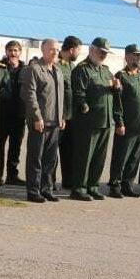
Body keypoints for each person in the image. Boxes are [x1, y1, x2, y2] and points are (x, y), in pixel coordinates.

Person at [67, 37, 118, 201]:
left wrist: (117, 87)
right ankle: (79, 188)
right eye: (101, 52)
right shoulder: (82, 70)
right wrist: (83, 105)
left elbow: (112, 89)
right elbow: (78, 93)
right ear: (92, 50)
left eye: (106, 53)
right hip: (88, 122)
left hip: (105, 121)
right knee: (84, 157)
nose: (103, 55)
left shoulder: (106, 70)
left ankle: (93, 186)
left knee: (99, 158)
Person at [20, 39, 65, 203]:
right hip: (40, 122)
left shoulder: (57, 70)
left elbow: (61, 96)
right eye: (52, 49)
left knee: (50, 160)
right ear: (43, 49)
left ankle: (46, 189)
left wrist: (62, 116)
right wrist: (37, 117)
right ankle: (33, 191)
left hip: (54, 122)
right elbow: (30, 95)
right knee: (36, 158)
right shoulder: (34, 69)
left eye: (57, 50)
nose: (55, 52)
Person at [108, 44, 140, 198]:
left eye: (139, 56)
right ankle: (115, 186)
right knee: (121, 157)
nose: (138, 58)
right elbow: (117, 102)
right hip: (127, 125)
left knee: (134, 159)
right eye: (135, 55)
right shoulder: (121, 76)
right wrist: (119, 122)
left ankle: (127, 184)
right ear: (127, 57)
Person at [0, 39, 26, 186]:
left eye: (15, 50)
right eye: (10, 50)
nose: (13, 53)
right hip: (2, 114)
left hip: (18, 114)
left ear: (20, 52)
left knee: (15, 147)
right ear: (6, 52)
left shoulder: (25, 69)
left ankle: (12, 176)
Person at [57, 35, 82, 189]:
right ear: (72, 49)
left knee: (70, 150)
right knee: (52, 151)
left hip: (72, 116)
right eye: (78, 50)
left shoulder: (73, 67)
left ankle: (68, 180)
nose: (79, 54)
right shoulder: (56, 65)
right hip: (59, 116)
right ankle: (48, 181)